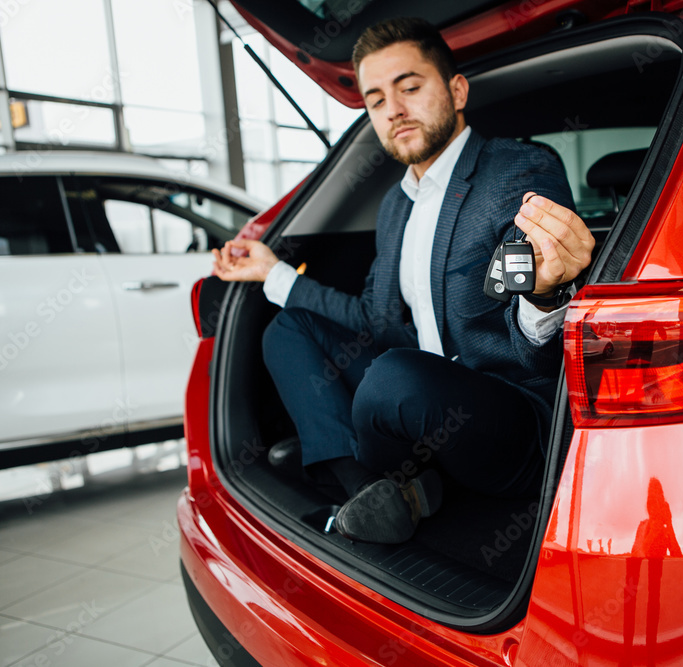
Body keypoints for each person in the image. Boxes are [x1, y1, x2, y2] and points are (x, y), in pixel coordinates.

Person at [212, 17, 594, 544]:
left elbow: (536, 343)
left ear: (456, 90)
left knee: (394, 377)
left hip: (508, 416)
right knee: (290, 329)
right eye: (375, 100)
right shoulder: (396, 205)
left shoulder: (517, 170)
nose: (393, 109)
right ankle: (366, 494)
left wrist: (545, 294)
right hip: (416, 399)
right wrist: (270, 272)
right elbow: (374, 318)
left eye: (410, 87)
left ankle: (397, 483)